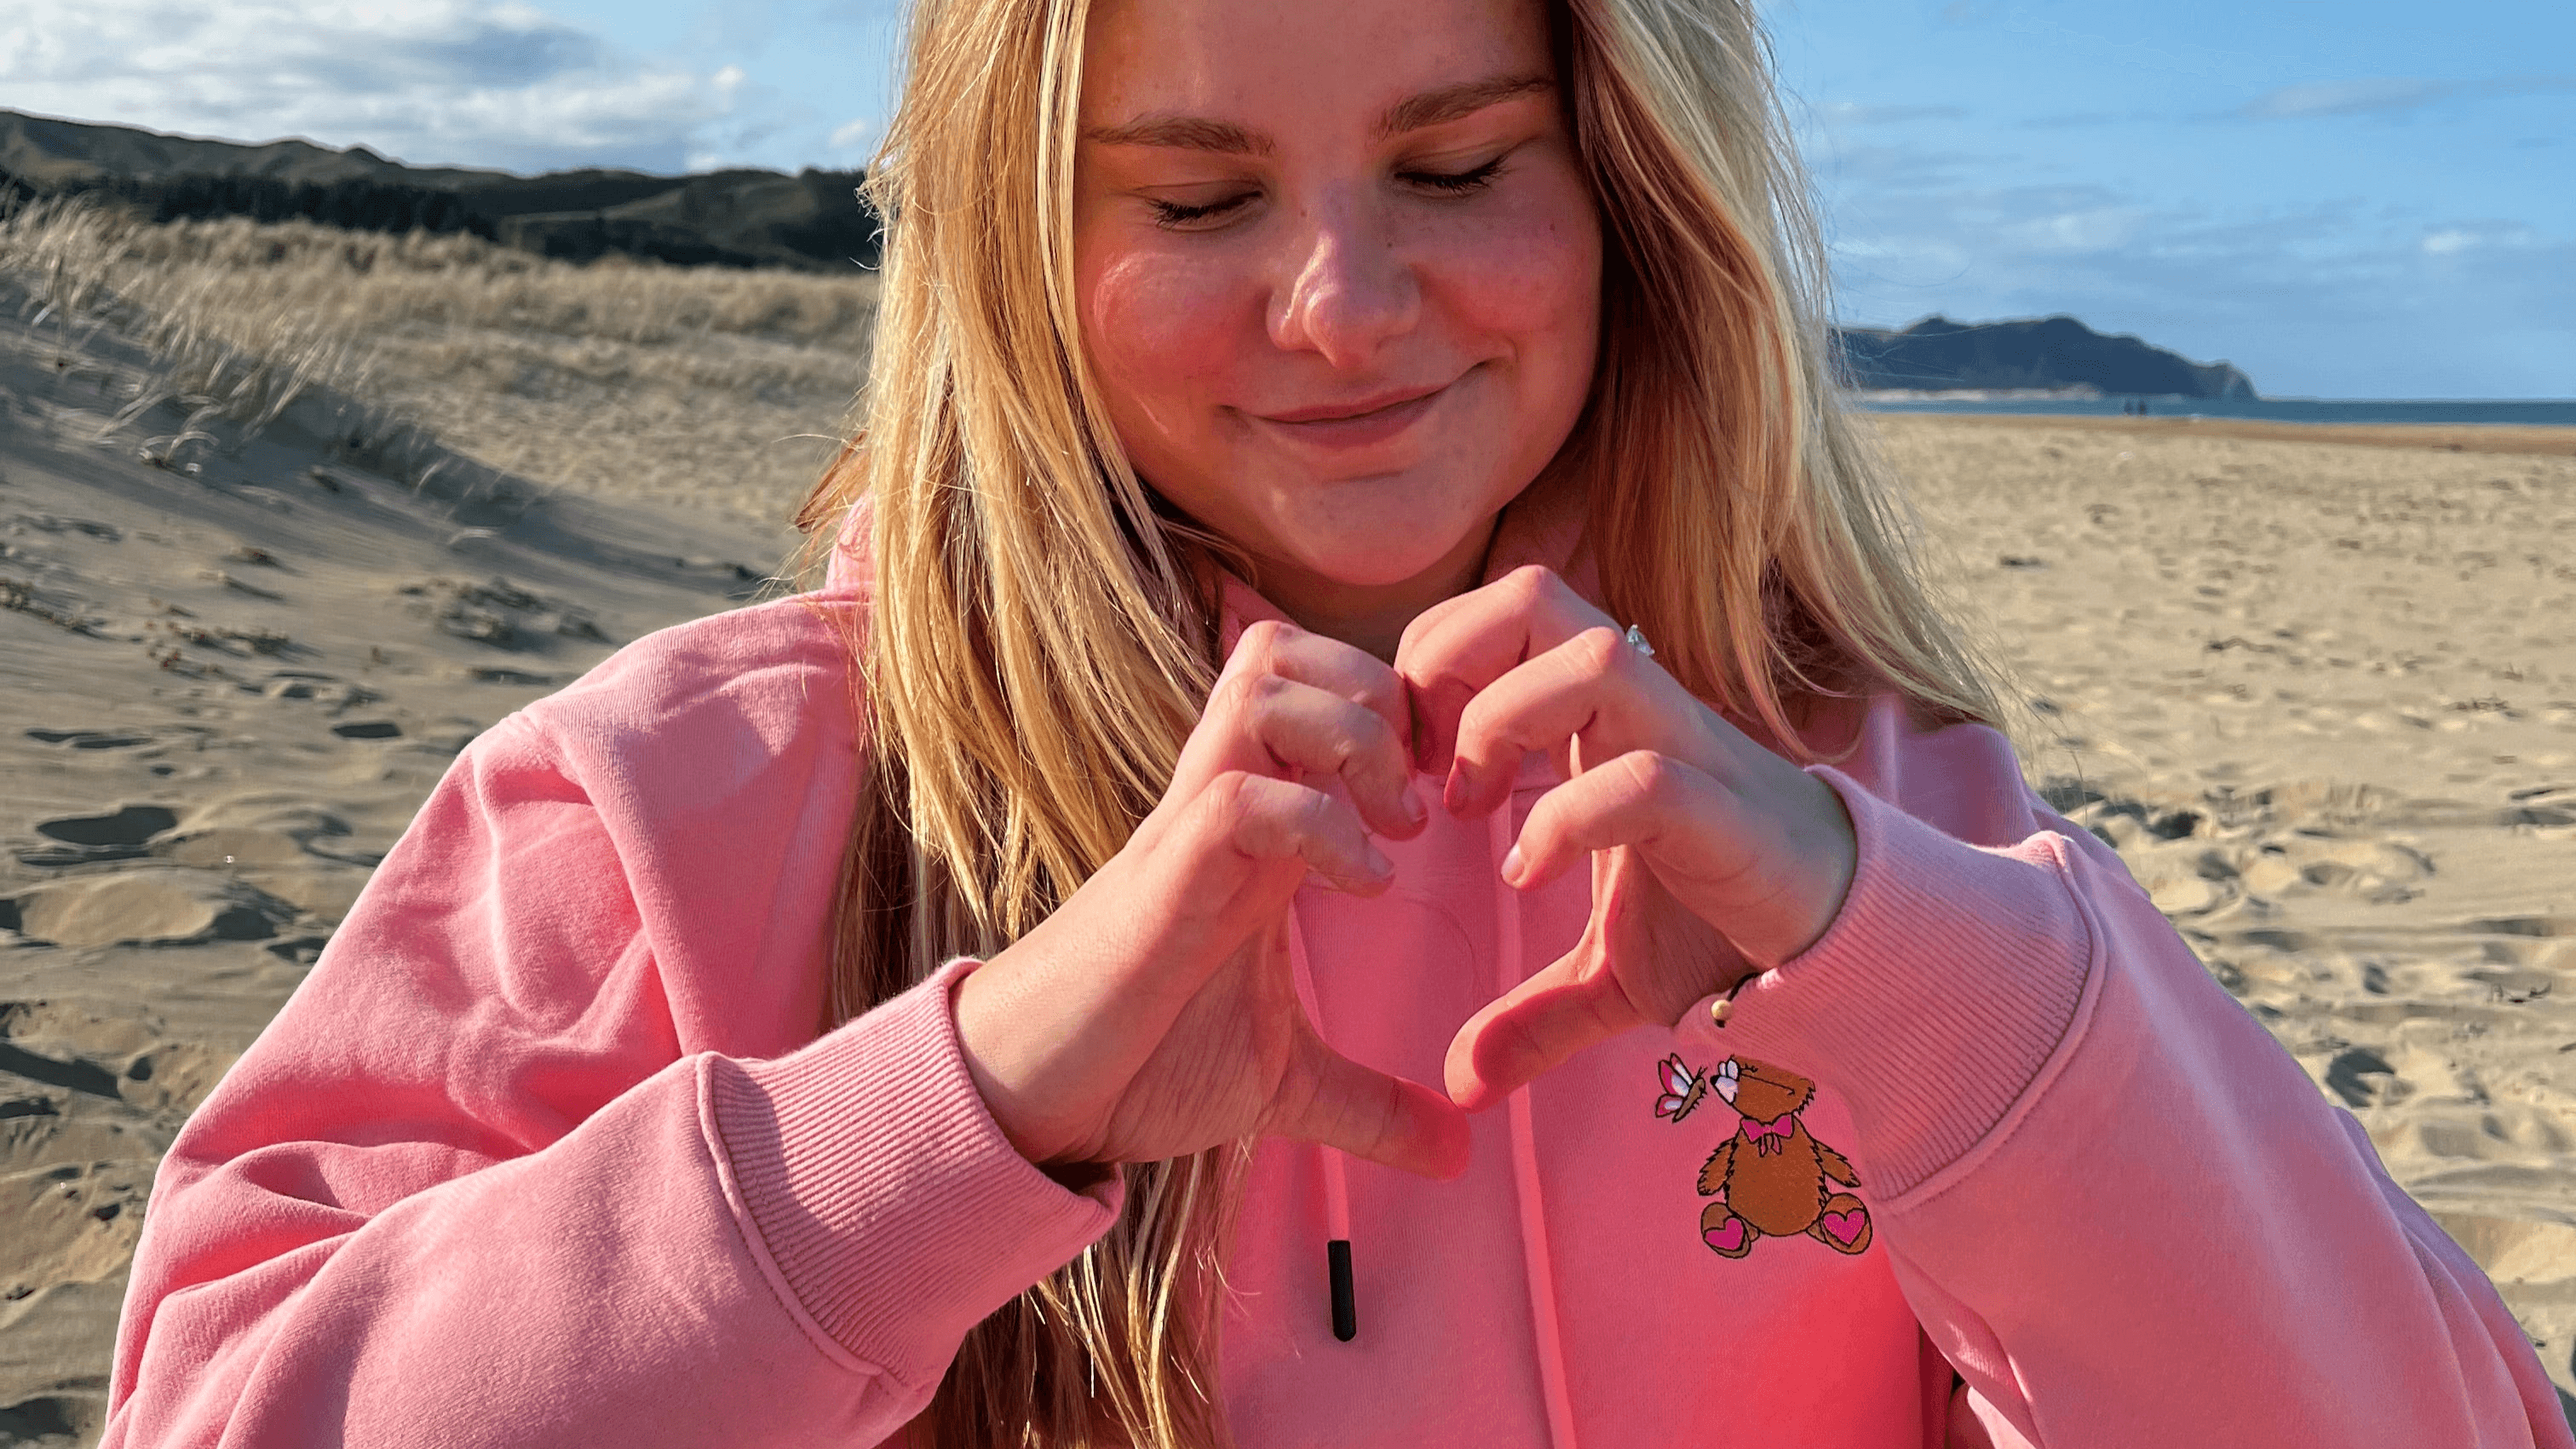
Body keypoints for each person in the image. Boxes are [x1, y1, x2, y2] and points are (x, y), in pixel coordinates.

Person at [101, 0, 2573, 1444]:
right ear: (1019, 243)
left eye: (1457, 161)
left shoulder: (1873, 781)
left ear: (1631, 188)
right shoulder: (673, 801)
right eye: (1192, 201)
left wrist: (1903, 957)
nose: (1341, 304)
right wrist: (977, 1096)